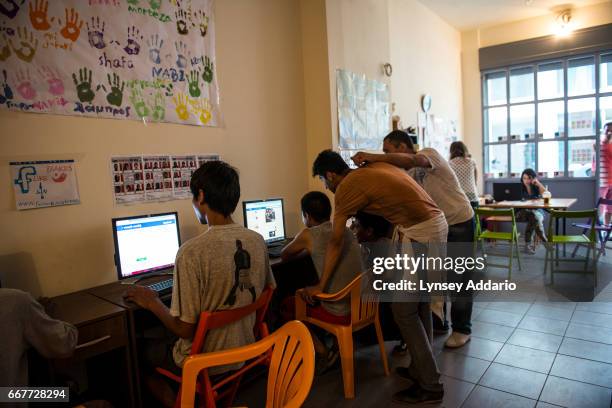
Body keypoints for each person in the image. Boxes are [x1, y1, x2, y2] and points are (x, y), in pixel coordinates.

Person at [124, 160, 275, 408]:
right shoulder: (257, 240)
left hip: (204, 360)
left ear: (201, 196)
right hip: (246, 347)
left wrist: (152, 303)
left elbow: (185, 330)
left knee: (138, 355)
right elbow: (267, 290)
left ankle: (180, 403)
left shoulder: (190, 253)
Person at [309, 149, 447, 404]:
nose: (326, 187)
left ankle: (430, 384)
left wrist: (321, 284)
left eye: (324, 181)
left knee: (403, 311)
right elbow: (405, 162)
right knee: (420, 304)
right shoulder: (371, 167)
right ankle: (421, 368)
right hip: (431, 226)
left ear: (330, 175)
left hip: (422, 233)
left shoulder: (347, 187)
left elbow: (336, 241)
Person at [352, 130, 475, 349]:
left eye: (388, 151)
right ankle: (438, 322)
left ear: (401, 147)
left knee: (459, 278)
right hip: (436, 227)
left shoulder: (429, 155)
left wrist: (376, 157)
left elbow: (414, 159)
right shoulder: (404, 175)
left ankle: (462, 329)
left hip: (458, 221)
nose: (386, 155)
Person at [281, 191, 362, 373]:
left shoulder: (308, 234)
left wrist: (304, 246)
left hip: (340, 311)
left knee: (289, 304)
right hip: (361, 305)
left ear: (307, 216)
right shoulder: (345, 230)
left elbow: (284, 255)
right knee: (323, 286)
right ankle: (336, 346)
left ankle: (321, 350)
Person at [0, 288, 78, 388]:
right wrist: (51, 316)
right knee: (66, 390)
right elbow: (65, 344)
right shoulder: (15, 300)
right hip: (10, 396)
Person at [517, 168, 547, 254]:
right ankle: (545, 241)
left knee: (534, 217)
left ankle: (527, 246)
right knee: (534, 217)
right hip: (523, 212)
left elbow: (546, 195)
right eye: (524, 178)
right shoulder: (519, 188)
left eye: (528, 178)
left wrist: (538, 183)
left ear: (533, 178)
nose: (526, 180)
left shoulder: (536, 187)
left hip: (537, 211)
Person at [449, 141, 479, 208]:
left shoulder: (449, 164)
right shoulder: (472, 162)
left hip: (457, 196)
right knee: (474, 217)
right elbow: (475, 181)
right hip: (472, 195)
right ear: (464, 149)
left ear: (451, 151)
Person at [597, 123, 612, 224]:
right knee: (600, 209)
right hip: (600, 182)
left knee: (609, 209)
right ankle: (604, 231)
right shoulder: (598, 144)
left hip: (610, 181)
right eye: (607, 130)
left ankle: (606, 230)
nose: (609, 133)